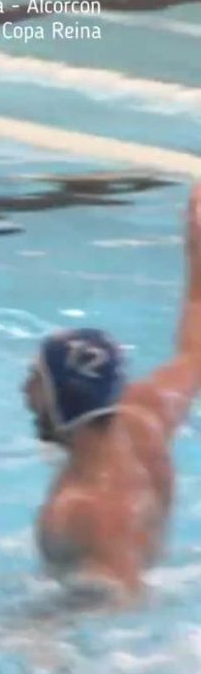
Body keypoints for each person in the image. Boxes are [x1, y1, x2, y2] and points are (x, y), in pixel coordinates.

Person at [25, 184, 201, 602]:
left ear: (64, 401)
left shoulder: (78, 509)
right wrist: (196, 258)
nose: (26, 392)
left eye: (37, 382)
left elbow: (120, 608)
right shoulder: (147, 417)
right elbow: (194, 351)